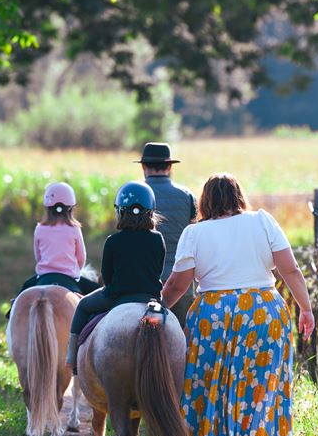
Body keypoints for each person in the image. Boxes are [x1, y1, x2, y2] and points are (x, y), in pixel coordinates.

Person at [161, 173, 314, 436]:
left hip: (213, 316)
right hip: (263, 313)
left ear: (205, 201)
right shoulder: (262, 221)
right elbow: (290, 269)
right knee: (258, 389)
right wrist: (306, 308)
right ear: (238, 196)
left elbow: (179, 283)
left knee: (209, 388)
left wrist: (157, 306)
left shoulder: (195, 233)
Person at [65, 181, 165, 373]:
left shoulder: (113, 241)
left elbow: (107, 276)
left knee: (83, 306)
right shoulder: (157, 238)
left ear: (120, 211)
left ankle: (72, 358)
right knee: (172, 322)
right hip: (149, 298)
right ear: (151, 211)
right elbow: (157, 271)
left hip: (116, 296)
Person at [137, 142, 197, 324]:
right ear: (170, 167)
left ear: (143, 166)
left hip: (142, 284)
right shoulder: (187, 196)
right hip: (181, 285)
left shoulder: (135, 194)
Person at [17, 182, 98, 296]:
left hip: (44, 276)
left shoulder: (40, 228)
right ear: (70, 208)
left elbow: (38, 257)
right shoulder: (74, 229)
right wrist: (73, 269)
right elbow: (81, 258)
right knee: (99, 293)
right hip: (69, 278)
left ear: (47, 208)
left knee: (21, 295)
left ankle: (10, 312)